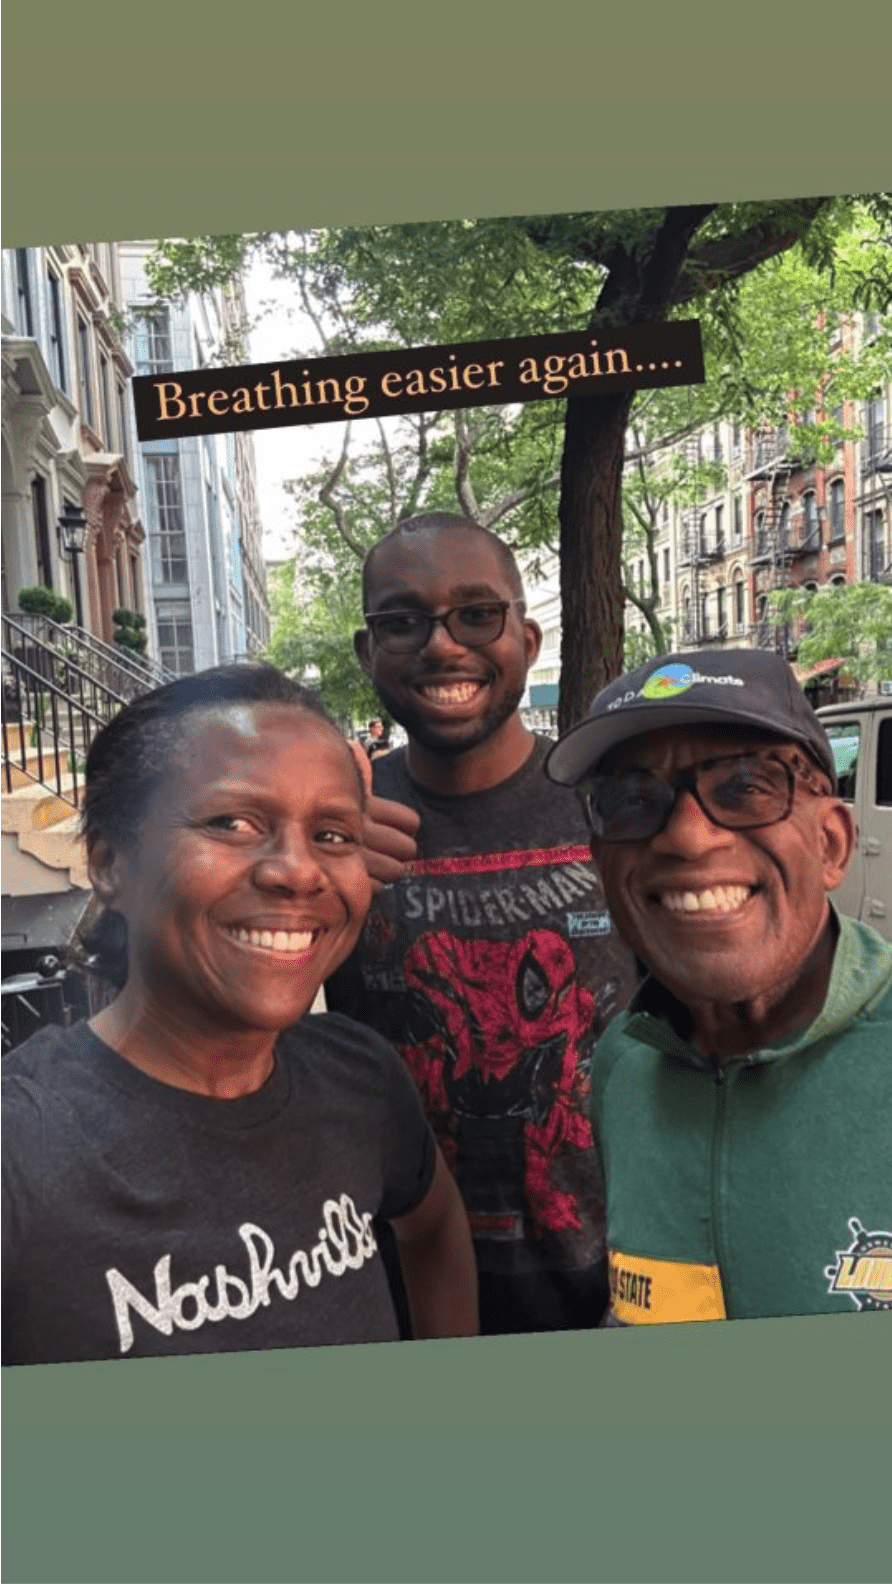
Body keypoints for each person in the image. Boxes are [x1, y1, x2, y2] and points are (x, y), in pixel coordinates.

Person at [2, 664, 477, 1366]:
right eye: (231, 822)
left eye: (334, 835)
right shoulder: (23, 1147)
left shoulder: (361, 1076)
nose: (298, 871)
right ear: (109, 862)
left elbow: (433, 1225)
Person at [326, 513, 638, 1335]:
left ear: (527, 640)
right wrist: (307, 872)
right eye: (402, 621)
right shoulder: (327, 832)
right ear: (369, 653)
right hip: (398, 1287)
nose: (442, 645)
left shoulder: (615, 806)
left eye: (476, 614)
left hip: (618, 1283)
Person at [545, 647, 892, 1325]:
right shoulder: (622, 1065)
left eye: (744, 785)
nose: (687, 836)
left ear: (831, 844)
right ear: (601, 863)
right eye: (630, 799)